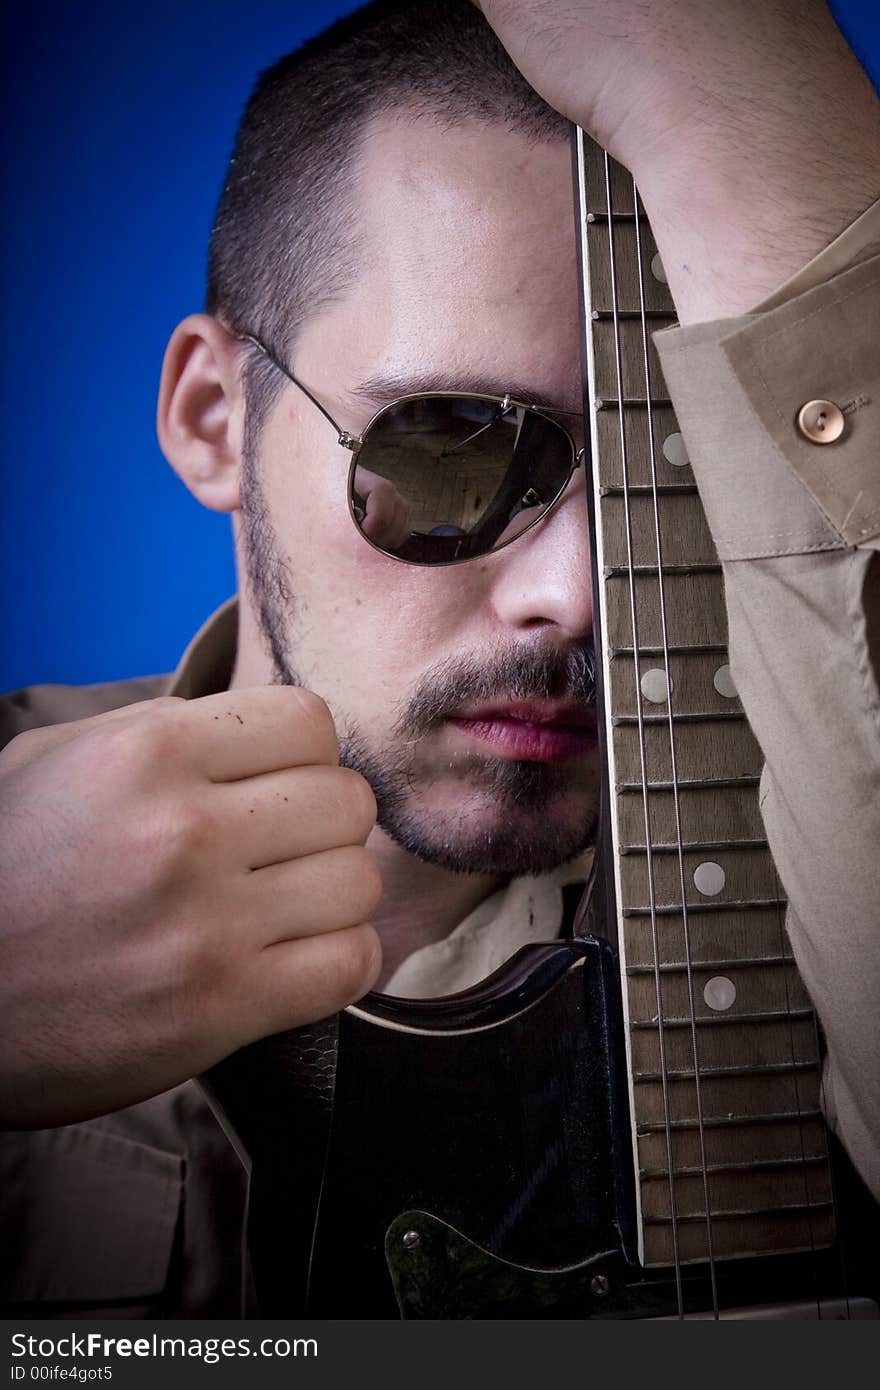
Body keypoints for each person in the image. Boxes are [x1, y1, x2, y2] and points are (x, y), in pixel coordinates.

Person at [1, 0, 878, 1317]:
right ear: (208, 418)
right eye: (454, 439)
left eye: (671, 482)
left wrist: (771, 147)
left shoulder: (831, 886)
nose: (572, 594)